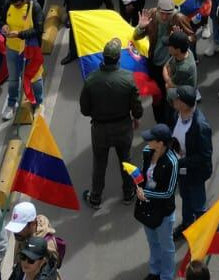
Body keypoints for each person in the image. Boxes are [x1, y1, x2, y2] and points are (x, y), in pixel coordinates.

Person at [79, 36, 143, 208]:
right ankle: (129, 194)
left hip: (100, 129)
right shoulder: (128, 78)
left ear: (103, 57)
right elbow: (137, 109)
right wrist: (134, 118)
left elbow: (84, 110)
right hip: (123, 127)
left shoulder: (91, 79)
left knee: (99, 164)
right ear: (118, 58)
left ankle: (95, 198)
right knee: (126, 161)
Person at [135, 123, 181, 280]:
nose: (147, 141)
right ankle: (155, 272)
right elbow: (143, 175)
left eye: (151, 139)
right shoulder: (147, 151)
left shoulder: (172, 162)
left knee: (166, 247)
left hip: (163, 213)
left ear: (160, 143)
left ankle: (166, 276)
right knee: (153, 242)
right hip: (147, 206)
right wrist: (138, 186)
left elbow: (169, 193)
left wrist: (145, 192)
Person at [171, 85, 214, 229]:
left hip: (195, 173)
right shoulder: (176, 115)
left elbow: (205, 156)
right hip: (182, 170)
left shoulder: (201, 126)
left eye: (176, 98)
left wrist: (181, 162)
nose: (173, 100)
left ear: (183, 104)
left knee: (198, 204)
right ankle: (187, 224)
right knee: (185, 197)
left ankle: (202, 235)